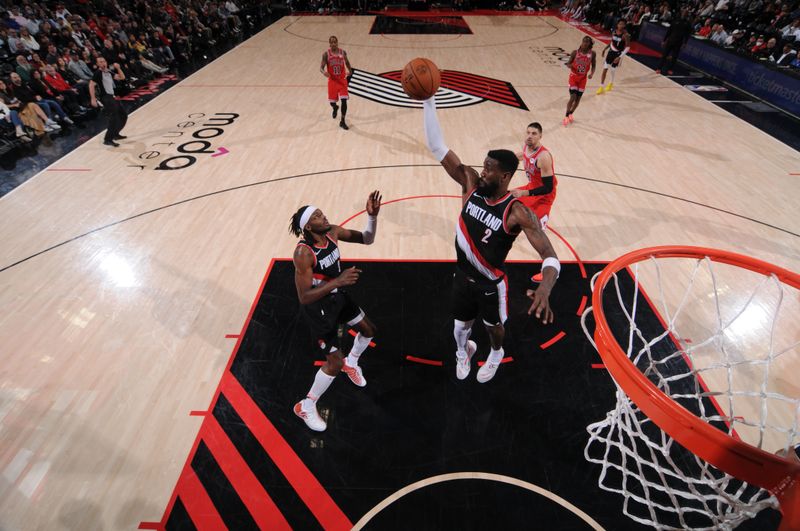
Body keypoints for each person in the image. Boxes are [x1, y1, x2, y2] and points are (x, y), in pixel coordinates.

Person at [422, 97, 560, 383]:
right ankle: (465, 352)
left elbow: (549, 254)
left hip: (490, 283)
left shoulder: (517, 212)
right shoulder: (470, 183)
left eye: (489, 168)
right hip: (462, 276)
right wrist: (428, 101)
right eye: (483, 166)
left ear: (505, 175)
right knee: (459, 329)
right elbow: (437, 147)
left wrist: (546, 287)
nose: (482, 171)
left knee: (493, 328)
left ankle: (495, 353)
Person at [289, 191, 382, 432]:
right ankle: (306, 405)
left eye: (321, 212)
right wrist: (338, 281)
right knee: (333, 363)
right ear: (309, 226)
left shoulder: (332, 232)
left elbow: (367, 239)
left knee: (369, 330)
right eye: (318, 216)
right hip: (317, 308)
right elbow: (304, 297)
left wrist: (372, 217)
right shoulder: (303, 253)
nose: (324, 216)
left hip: (336, 297)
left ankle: (353, 361)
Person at [89, 56, 128, 147]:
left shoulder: (109, 71)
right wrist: (93, 99)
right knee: (114, 118)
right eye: (100, 62)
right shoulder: (98, 73)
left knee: (123, 115)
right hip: (106, 97)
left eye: (104, 61)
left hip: (112, 97)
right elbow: (91, 85)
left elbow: (122, 77)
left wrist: (118, 68)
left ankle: (115, 134)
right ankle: (107, 139)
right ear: (97, 64)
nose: (103, 63)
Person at [320, 35, 352, 130]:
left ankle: (342, 121)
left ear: (337, 42)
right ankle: (335, 108)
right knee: (332, 102)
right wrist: (324, 72)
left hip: (342, 80)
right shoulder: (326, 54)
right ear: (329, 44)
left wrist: (350, 71)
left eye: (335, 42)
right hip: (332, 81)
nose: (333, 43)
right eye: (332, 42)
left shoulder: (343, 52)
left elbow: (347, 63)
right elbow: (321, 68)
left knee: (344, 101)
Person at [564, 36, 596, 125]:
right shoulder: (575, 52)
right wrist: (569, 65)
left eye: (587, 42)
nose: (585, 43)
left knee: (578, 100)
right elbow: (569, 63)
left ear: (589, 44)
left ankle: (571, 113)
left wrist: (592, 74)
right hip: (573, 77)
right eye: (583, 41)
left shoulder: (592, 54)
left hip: (583, 79)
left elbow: (594, 65)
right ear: (581, 42)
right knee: (573, 97)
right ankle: (566, 115)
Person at [597, 20, 631, 94]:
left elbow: (628, 47)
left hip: (618, 54)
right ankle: (601, 87)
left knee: (612, 69)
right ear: (617, 24)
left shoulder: (626, 35)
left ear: (624, 26)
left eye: (623, 24)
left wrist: (620, 57)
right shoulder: (614, 32)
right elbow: (612, 42)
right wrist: (605, 49)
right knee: (605, 69)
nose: (621, 25)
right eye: (620, 24)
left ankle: (611, 83)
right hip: (610, 52)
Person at [656, 8, 693, 75]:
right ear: (681, 13)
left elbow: (687, 35)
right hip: (670, 40)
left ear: (687, 14)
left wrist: (685, 43)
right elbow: (669, 31)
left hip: (678, 42)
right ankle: (659, 68)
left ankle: (670, 69)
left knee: (674, 57)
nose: (684, 13)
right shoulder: (675, 20)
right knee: (664, 55)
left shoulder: (687, 23)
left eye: (686, 13)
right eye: (684, 12)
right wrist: (664, 40)